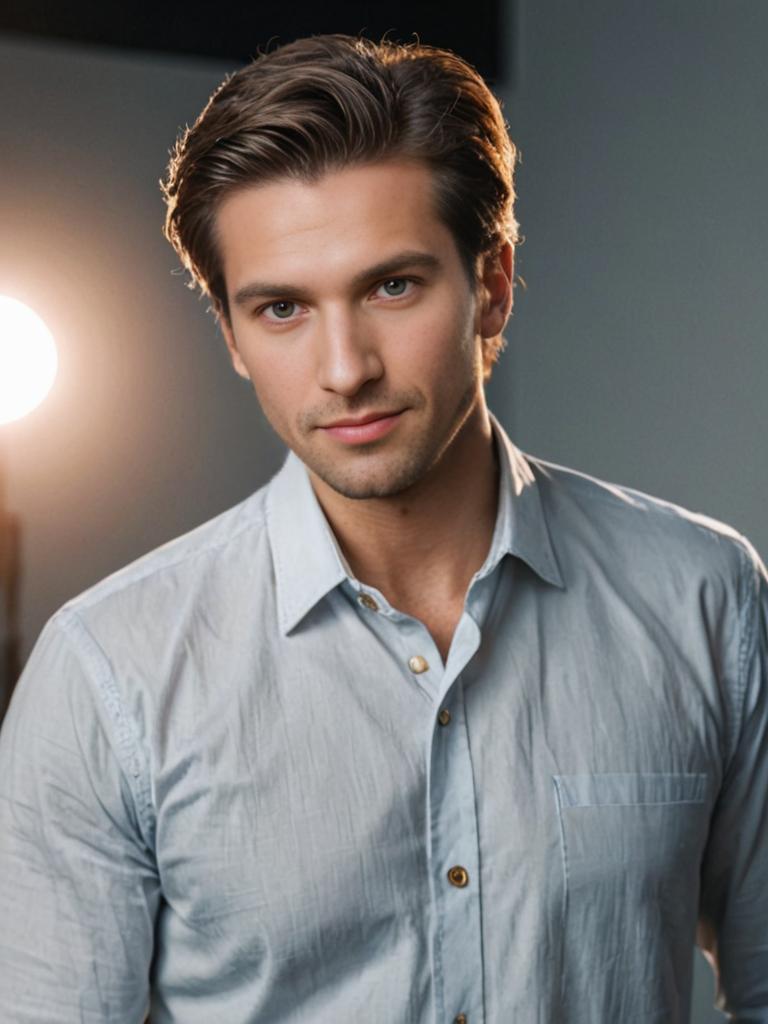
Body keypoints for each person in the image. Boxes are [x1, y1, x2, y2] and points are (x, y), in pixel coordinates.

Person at [0, 33, 765, 1024]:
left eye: (392, 286)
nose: (345, 366)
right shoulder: (111, 672)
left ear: (491, 283)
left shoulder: (702, 596)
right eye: (282, 308)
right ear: (232, 335)